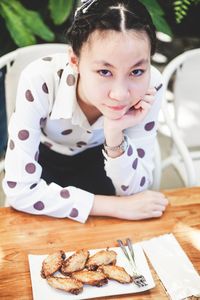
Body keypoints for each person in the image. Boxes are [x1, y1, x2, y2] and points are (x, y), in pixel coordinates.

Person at [3, 0, 168, 223]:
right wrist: (113, 206)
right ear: (75, 61)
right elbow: (19, 192)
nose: (120, 94)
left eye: (137, 70)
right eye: (104, 71)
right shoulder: (40, 79)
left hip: (101, 162)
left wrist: (114, 132)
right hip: (44, 163)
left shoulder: (151, 86)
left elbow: (136, 194)